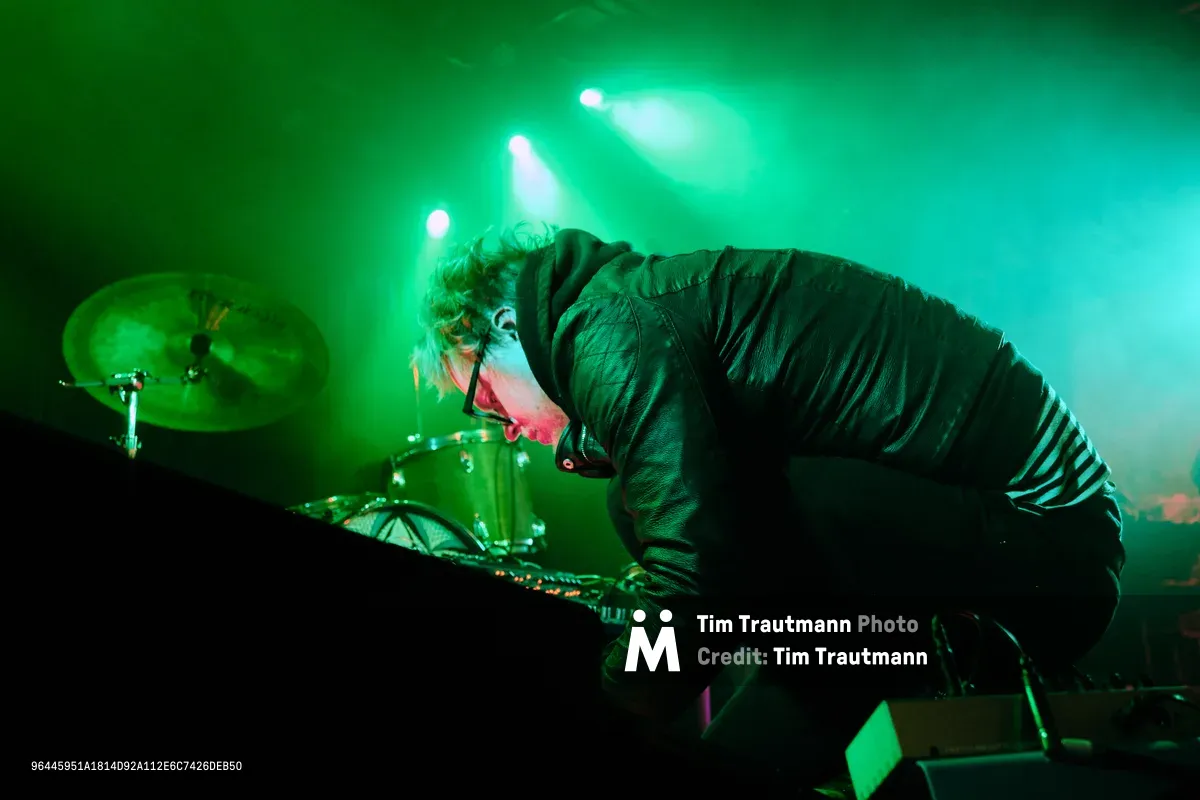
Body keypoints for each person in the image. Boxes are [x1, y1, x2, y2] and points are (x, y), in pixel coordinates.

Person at [411, 224, 1126, 789]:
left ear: (507, 325)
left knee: (688, 528)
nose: (500, 422)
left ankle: (928, 670)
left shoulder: (611, 327)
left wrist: (609, 702)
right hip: (1012, 542)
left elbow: (699, 583)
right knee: (644, 509)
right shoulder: (632, 309)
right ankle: (870, 681)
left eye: (483, 395)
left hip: (1045, 549)